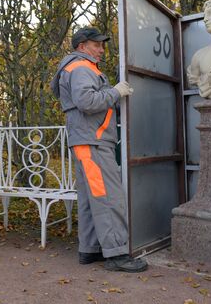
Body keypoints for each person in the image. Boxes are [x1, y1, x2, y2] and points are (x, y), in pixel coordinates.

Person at [50, 27, 148, 272]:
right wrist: (115, 92)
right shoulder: (81, 68)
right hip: (93, 142)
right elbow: (86, 102)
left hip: (85, 140)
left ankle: (90, 250)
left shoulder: (75, 67)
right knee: (107, 198)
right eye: (97, 45)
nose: (102, 50)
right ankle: (116, 255)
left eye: (102, 45)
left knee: (90, 199)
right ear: (82, 46)